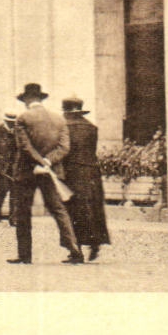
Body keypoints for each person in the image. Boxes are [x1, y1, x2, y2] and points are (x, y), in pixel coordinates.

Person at [9, 83, 82, 265]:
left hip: (26, 171)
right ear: (41, 99)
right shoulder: (59, 119)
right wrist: (48, 162)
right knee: (59, 210)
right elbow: (64, 147)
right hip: (52, 171)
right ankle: (75, 250)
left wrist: (39, 162)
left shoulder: (22, 118)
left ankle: (25, 255)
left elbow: (24, 146)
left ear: (27, 100)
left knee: (23, 212)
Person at [60, 96, 111, 261]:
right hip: (92, 172)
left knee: (73, 211)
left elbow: (63, 151)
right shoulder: (91, 127)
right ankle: (95, 242)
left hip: (72, 172)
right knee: (93, 208)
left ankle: (76, 251)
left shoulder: (64, 127)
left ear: (66, 111)